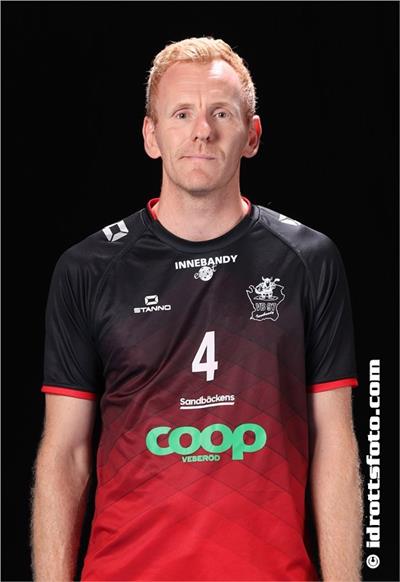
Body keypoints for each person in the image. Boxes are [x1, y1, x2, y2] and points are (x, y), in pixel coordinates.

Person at [31, 37, 363, 581]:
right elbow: (64, 455)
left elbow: (336, 444)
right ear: (151, 135)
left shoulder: (309, 260)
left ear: (252, 135)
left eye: (222, 113)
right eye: (181, 113)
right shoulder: (88, 268)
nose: (202, 130)